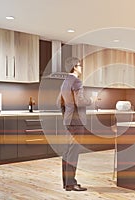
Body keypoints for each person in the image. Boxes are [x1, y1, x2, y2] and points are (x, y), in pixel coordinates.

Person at [59, 57, 94, 191]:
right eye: (80, 65)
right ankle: (71, 183)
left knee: (67, 152)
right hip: (77, 122)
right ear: (74, 67)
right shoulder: (77, 82)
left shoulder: (65, 82)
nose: (81, 68)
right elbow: (80, 102)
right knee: (73, 153)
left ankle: (67, 183)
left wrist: (66, 117)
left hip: (69, 121)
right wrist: (91, 100)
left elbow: (59, 102)